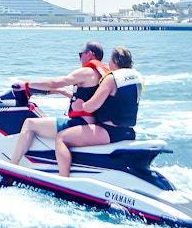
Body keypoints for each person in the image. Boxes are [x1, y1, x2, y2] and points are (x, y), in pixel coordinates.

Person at [9, 41, 110, 166]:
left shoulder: (87, 72)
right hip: (92, 123)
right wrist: (61, 92)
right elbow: (86, 97)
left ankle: (12, 165)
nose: (80, 58)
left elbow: (56, 82)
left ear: (90, 54)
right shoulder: (103, 74)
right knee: (45, 120)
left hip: (80, 123)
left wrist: (26, 85)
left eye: (80, 54)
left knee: (30, 123)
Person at [54, 46, 142, 177]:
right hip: (129, 132)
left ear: (113, 62)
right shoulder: (137, 79)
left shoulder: (111, 79)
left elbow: (92, 106)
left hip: (109, 132)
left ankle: (63, 180)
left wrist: (81, 106)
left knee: (61, 138)